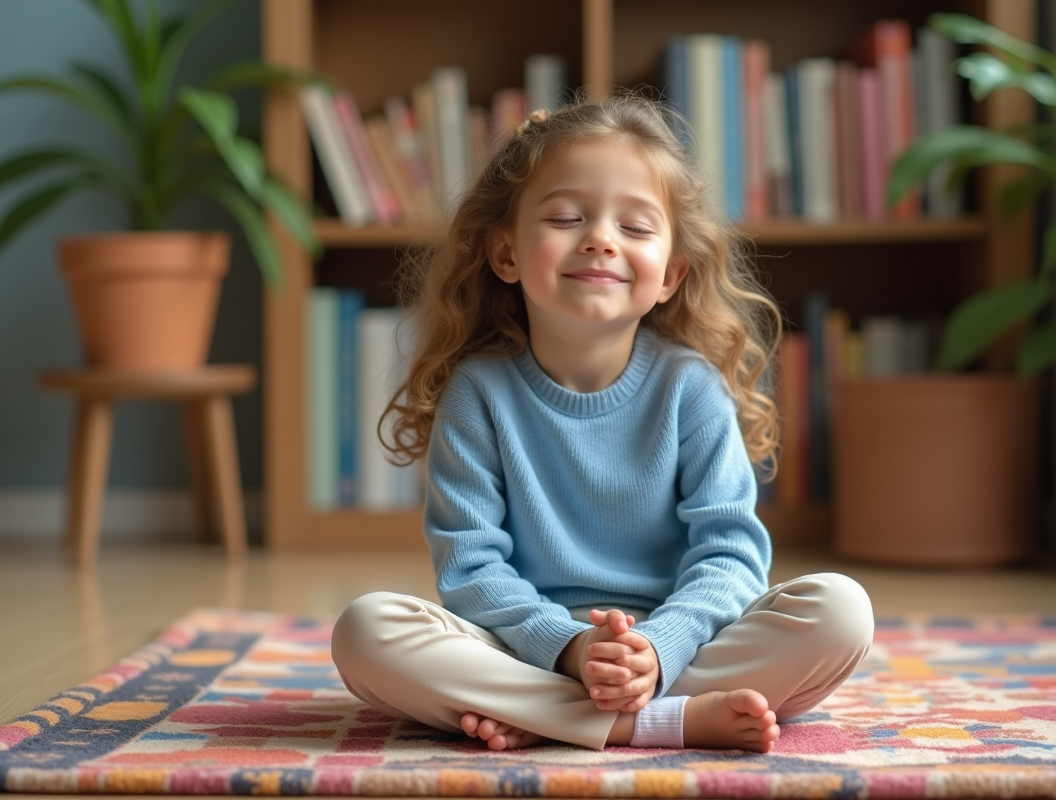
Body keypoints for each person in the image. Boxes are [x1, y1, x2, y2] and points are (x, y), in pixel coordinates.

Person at [331, 94, 874, 753]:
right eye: (566, 216)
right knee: (365, 632)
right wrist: (571, 648)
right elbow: (470, 568)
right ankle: (663, 724)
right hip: (528, 647)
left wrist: (656, 646)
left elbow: (731, 555)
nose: (600, 239)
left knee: (841, 612)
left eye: (637, 228)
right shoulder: (478, 393)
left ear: (671, 274)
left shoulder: (690, 388)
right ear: (504, 253)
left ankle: (549, 718)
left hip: (681, 647)